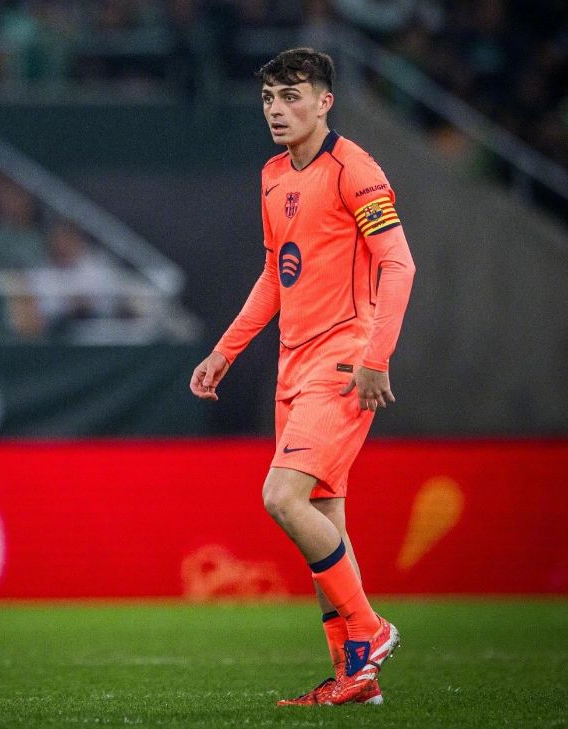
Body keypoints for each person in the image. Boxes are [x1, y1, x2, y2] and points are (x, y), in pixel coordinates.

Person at [190, 47, 415, 706]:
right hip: (293, 366)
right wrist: (226, 350)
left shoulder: (354, 169)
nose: (277, 110)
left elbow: (399, 264)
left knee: (282, 497)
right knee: (321, 516)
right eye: (269, 98)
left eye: (292, 96)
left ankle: (370, 629)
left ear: (325, 102)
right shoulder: (271, 175)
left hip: (341, 362)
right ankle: (355, 676)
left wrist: (376, 356)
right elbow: (275, 273)